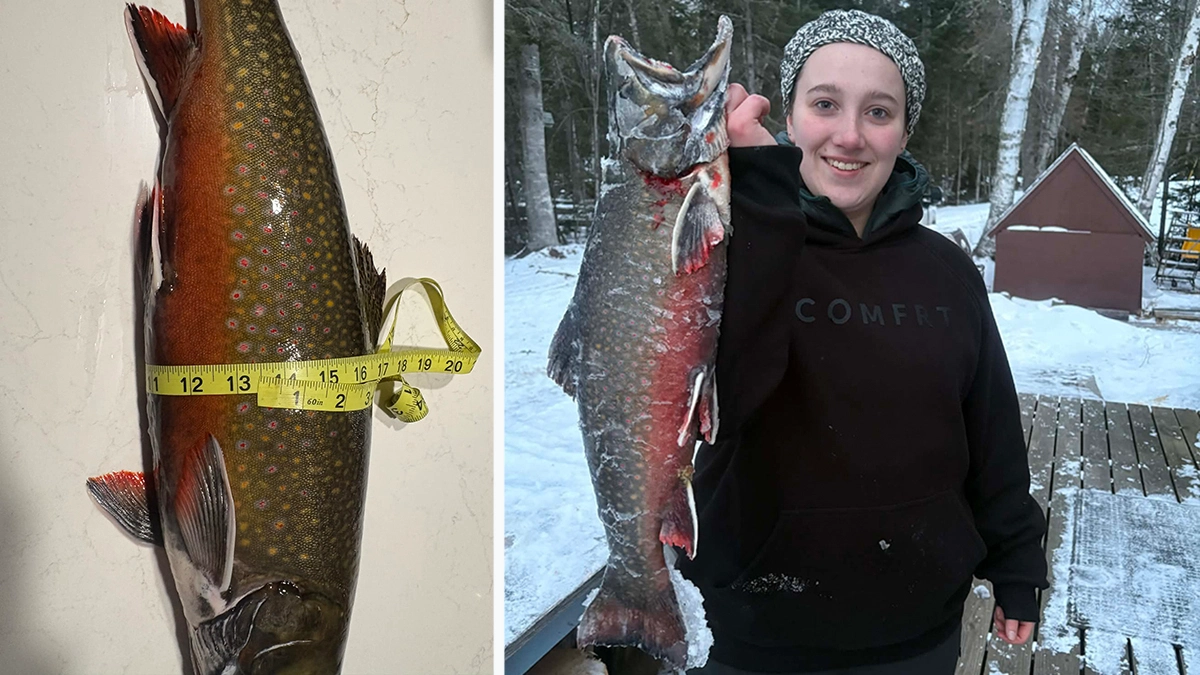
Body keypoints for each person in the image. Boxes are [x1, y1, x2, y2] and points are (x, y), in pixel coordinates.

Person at [676, 10, 1049, 674]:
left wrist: (1018, 557)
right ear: (789, 119)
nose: (849, 135)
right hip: (755, 632)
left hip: (917, 633)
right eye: (825, 104)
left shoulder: (948, 270)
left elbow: (990, 427)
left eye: (879, 111)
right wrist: (758, 190)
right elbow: (722, 395)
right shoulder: (721, 252)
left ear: (905, 131)